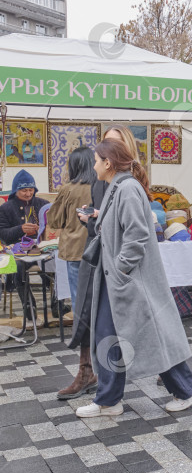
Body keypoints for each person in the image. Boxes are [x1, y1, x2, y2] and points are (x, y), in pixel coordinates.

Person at [76, 138, 192, 418]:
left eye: (97, 160)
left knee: (151, 336)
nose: (94, 165)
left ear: (108, 163)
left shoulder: (127, 188)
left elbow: (136, 234)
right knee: (111, 337)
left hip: (128, 281)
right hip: (119, 282)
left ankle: (187, 388)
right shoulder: (118, 187)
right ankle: (109, 400)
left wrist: (121, 269)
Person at [59, 127, 139, 401]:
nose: (105, 148)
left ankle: (173, 374)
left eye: (112, 143)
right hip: (97, 258)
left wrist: (122, 266)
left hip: (119, 264)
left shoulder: (130, 181)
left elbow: (134, 230)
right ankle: (93, 379)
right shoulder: (99, 181)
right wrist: (94, 219)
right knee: (92, 318)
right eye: (104, 142)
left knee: (138, 320)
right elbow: (103, 226)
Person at [0, 169, 49, 319]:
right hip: (17, 250)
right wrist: (20, 229)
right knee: (18, 266)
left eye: (31, 190)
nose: (28, 194)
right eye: (24, 190)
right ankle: (28, 305)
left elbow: (54, 226)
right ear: (16, 190)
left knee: (57, 261)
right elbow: (3, 235)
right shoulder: (5, 208)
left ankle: (57, 303)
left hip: (42, 249)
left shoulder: (43, 204)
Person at [49, 148, 95, 304]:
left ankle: (81, 328)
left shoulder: (68, 189)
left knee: (78, 297)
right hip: (98, 248)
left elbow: (54, 221)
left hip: (74, 248)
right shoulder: (102, 186)